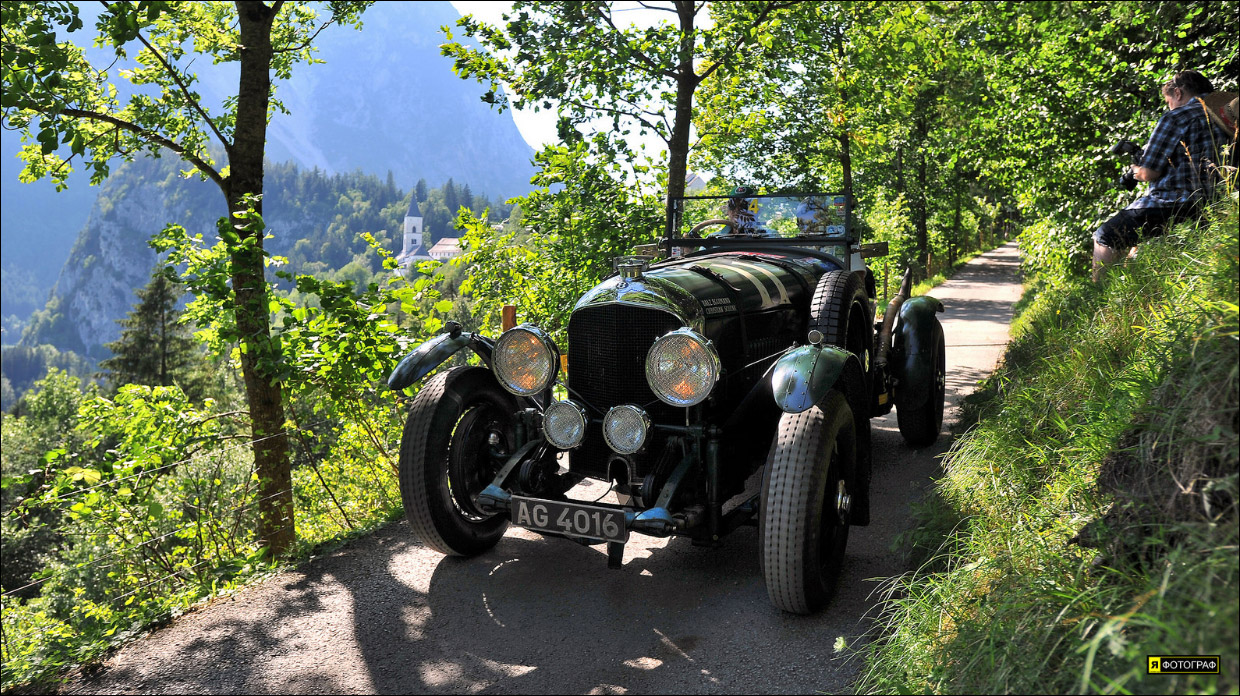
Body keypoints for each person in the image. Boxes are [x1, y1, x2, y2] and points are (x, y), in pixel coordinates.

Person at [1093, 70, 1232, 282]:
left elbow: (1149, 173)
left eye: (1168, 102)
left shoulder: (1177, 117)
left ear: (1178, 93)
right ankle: (1129, 289)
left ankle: (1098, 292)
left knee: (1105, 235)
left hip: (1176, 204)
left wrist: (1135, 170)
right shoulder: (1228, 116)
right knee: (1136, 247)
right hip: (1221, 203)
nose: (1170, 107)